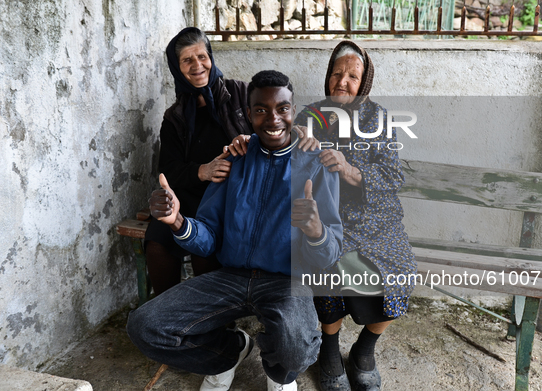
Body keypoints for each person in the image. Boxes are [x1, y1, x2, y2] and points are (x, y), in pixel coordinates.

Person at [127, 70, 342, 391]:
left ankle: (277, 372)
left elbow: (330, 252)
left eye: (282, 108)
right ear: (249, 113)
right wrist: (178, 222)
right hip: (230, 277)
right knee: (145, 326)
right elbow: (209, 237)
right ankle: (229, 353)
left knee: (296, 348)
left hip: (286, 281)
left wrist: (315, 231)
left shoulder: (317, 163)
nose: (273, 118)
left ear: (294, 110)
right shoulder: (235, 158)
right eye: (261, 109)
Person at [145, 27, 319, 295]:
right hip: (192, 196)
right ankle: (168, 307)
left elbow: (273, 112)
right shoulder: (174, 117)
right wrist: (204, 171)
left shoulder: (238, 92)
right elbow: (168, 170)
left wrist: (299, 131)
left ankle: (219, 324)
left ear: (211, 57)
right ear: (176, 68)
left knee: (209, 251)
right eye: (187, 60)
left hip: (235, 194)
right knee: (157, 242)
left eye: (202, 56)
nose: (197, 66)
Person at [294, 41, 417, 391]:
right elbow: (288, 159)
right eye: (336, 73)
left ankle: (364, 349)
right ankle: (330, 351)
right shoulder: (311, 116)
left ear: (364, 82)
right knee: (326, 266)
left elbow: (394, 177)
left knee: (402, 274)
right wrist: (296, 141)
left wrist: (350, 170)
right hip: (330, 219)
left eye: (352, 75)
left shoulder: (378, 119)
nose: (342, 81)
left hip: (377, 221)